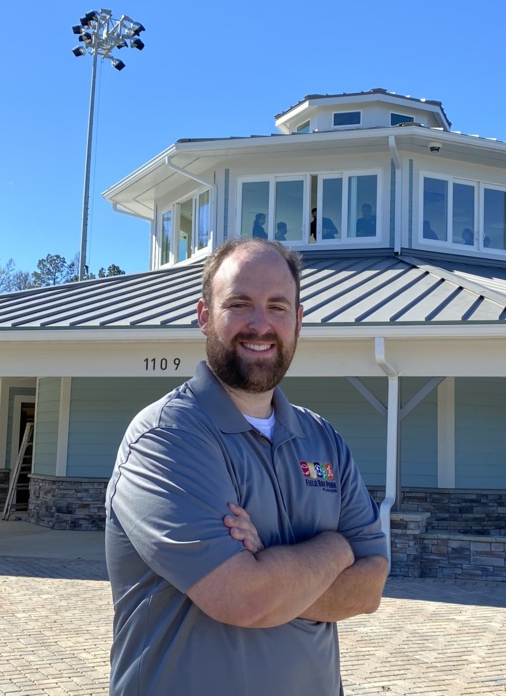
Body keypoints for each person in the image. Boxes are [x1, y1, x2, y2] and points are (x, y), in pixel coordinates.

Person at [106, 237, 390, 695]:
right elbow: (245, 599)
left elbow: (369, 586)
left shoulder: (325, 442)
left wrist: (271, 566)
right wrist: (336, 550)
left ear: (298, 322)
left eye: (278, 307)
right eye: (240, 304)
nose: (260, 324)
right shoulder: (166, 437)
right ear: (204, 316)